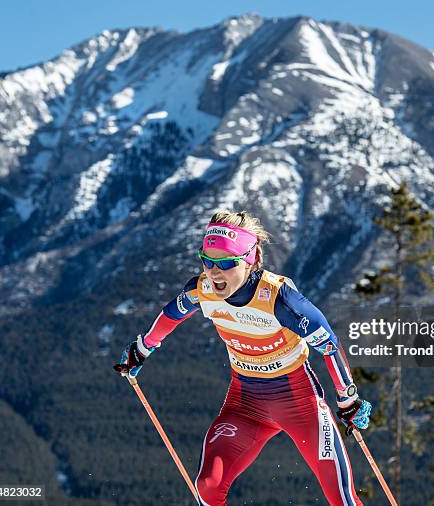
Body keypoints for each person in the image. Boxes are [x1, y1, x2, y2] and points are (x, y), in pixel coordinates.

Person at [114, 210, 372, 506]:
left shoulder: (279, 299)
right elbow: (172, 313)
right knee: (208, 487)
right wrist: (143, 348)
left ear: (250, 259)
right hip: (246, 405)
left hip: (300, 404)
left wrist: (347, 398)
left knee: (341, 498)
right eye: (207, 260)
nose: (214, 271)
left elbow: (329, 345)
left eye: (225, 263)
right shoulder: (203, 290)